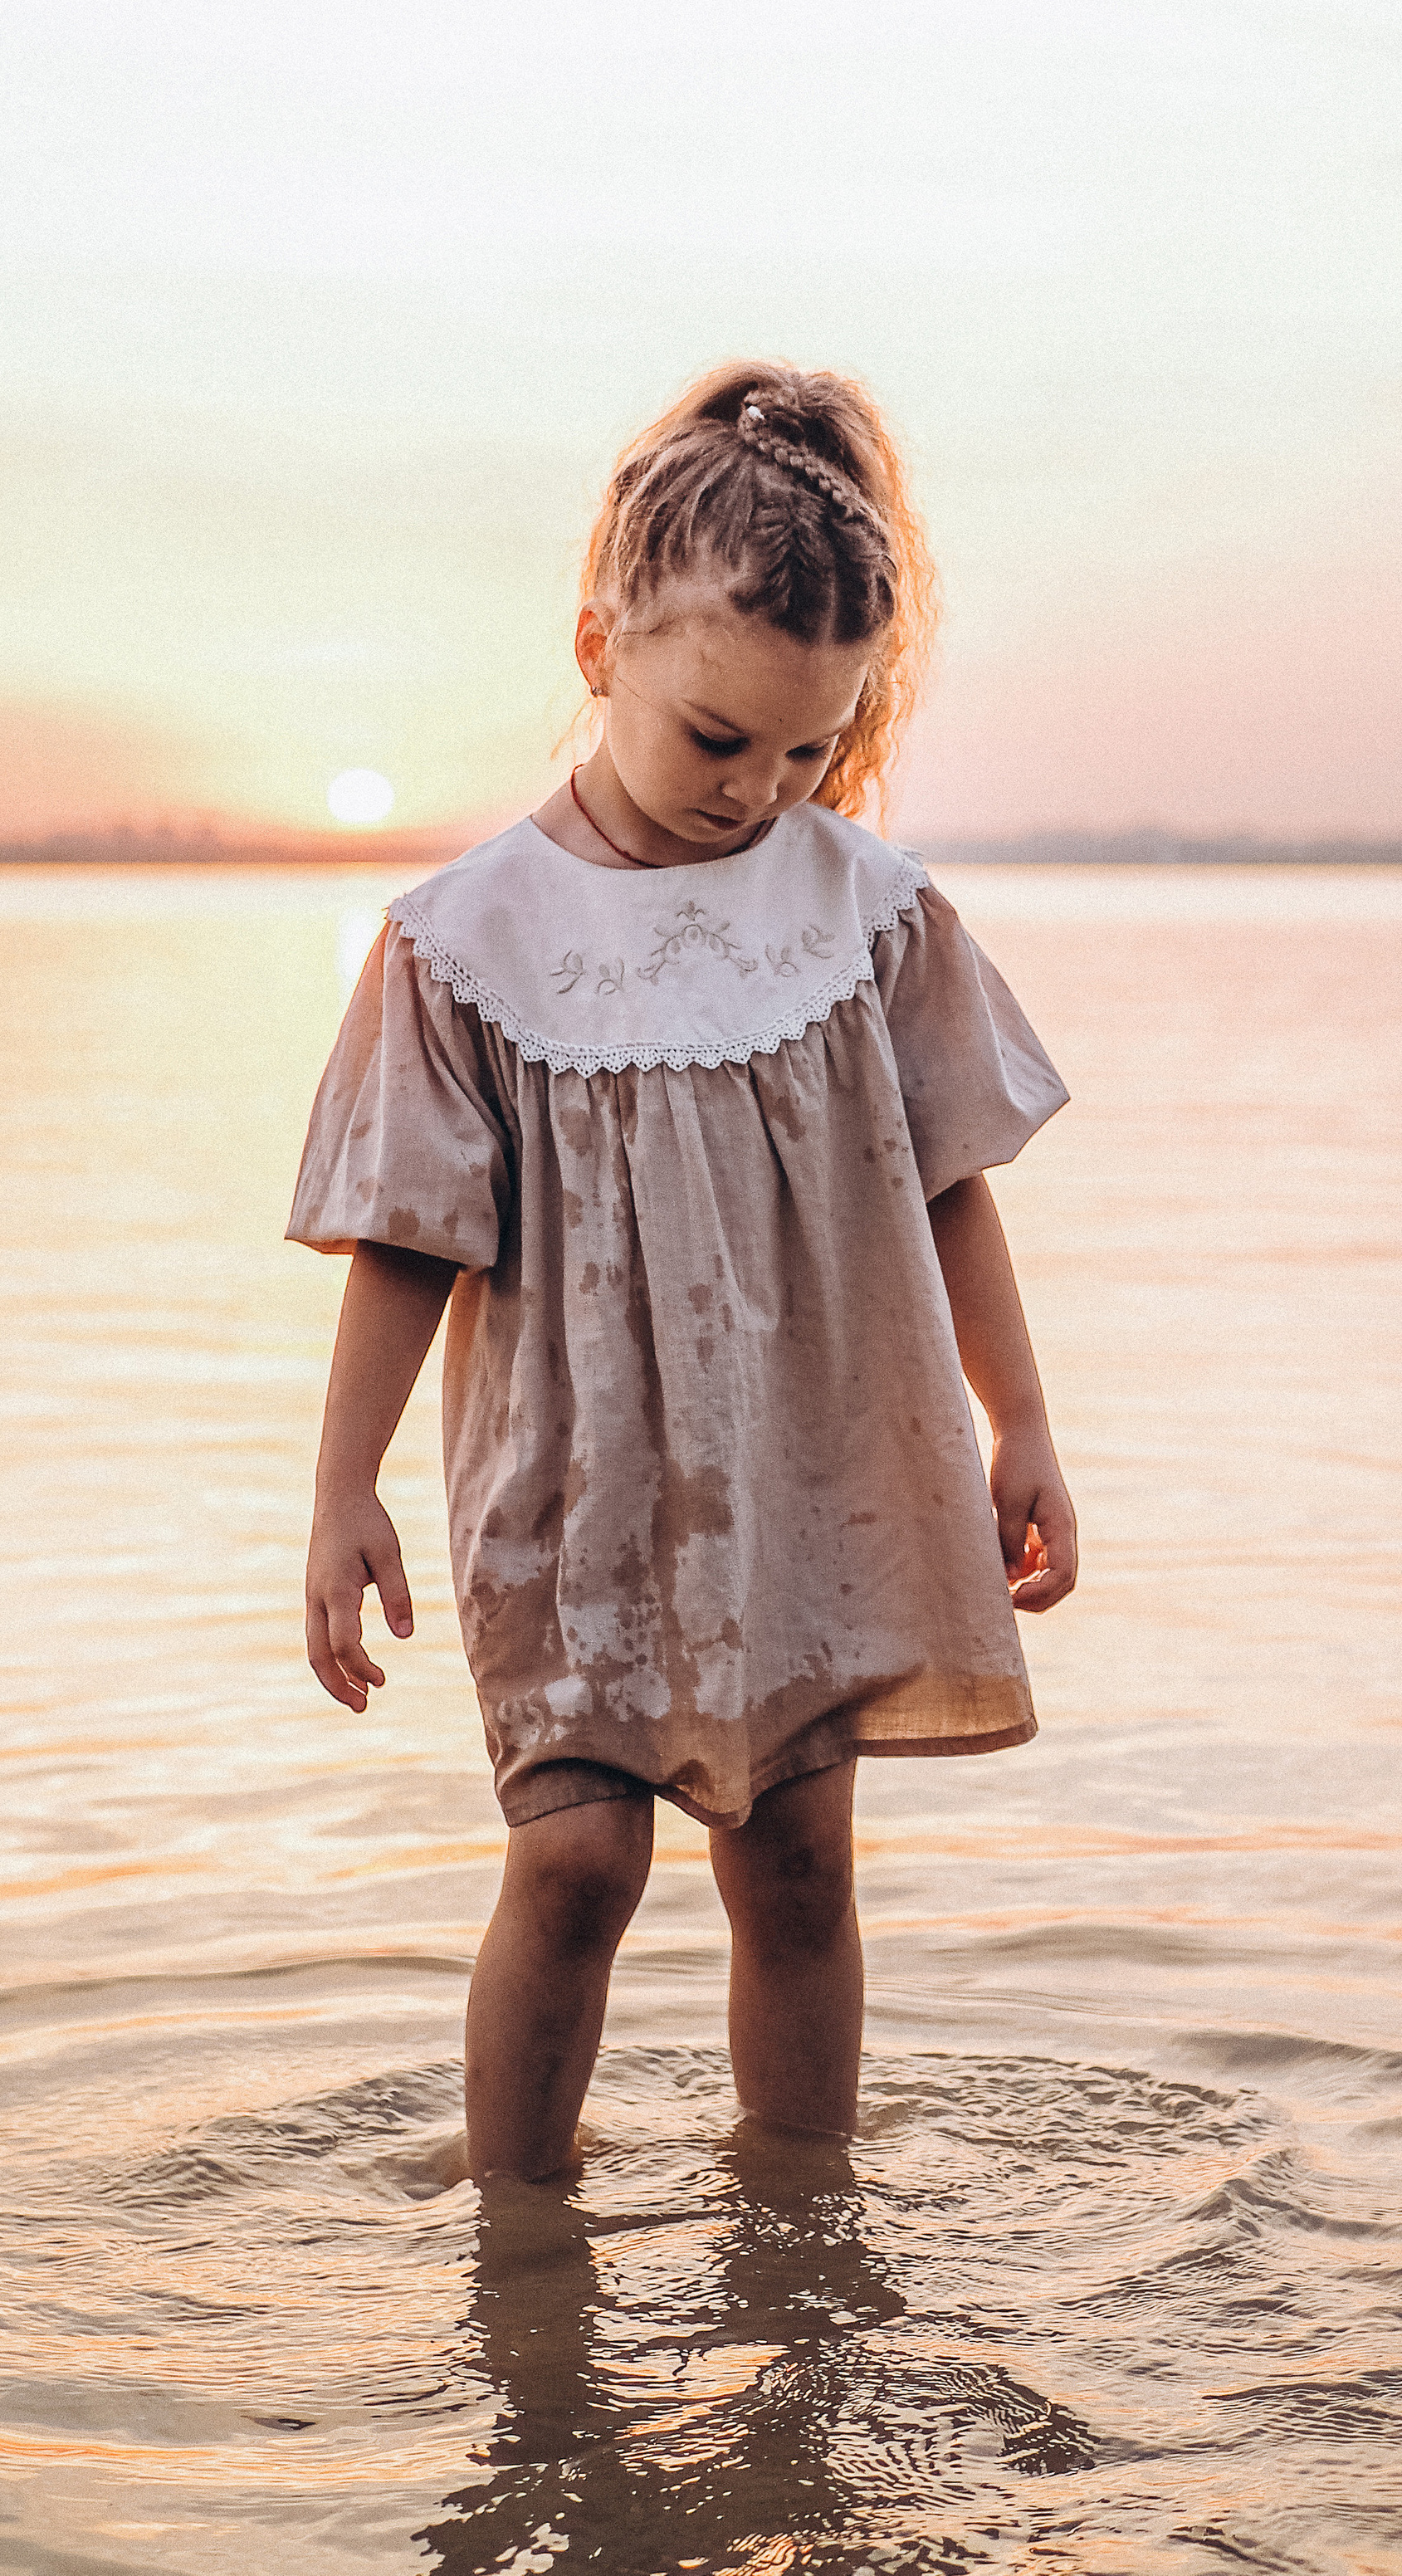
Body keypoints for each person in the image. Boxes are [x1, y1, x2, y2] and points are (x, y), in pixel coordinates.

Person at [289, 360, 1077, 2180]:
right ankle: (518, 2257)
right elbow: (408, 1235)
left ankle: (803, 2246)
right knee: (575, 1859)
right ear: (600, 642)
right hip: (573, 1481)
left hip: (810, 1465)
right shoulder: (467, 940)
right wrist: (339, 1487)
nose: (761, 787)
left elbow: (951, 1178)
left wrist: (1017, 1416)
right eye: (717, 736)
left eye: (808, 747)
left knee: (795, 1860)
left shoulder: (864, 912)